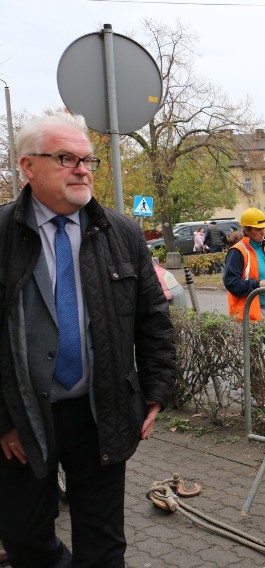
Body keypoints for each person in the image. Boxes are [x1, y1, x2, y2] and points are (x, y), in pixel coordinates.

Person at [0, 113, 176, 567]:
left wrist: (155, 392)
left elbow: (152, 316)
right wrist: (3, 419)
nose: (82, 169)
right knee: (23, 537)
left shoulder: (121, 232)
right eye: (65, 158)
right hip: (23, 419)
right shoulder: (1, 236)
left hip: (102, 411)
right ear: (27, 167)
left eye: (87, 159)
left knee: (103, 543)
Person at [224, 207, 265, 322]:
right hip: (249, 313)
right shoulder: (237, 251)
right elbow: (231, 282)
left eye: (263, 228)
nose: (263, 232)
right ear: (247, 230)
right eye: (258, 229)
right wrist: (257, 284)